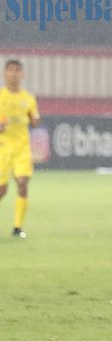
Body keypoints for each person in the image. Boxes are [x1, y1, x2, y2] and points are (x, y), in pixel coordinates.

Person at [0, 60, 40, 238]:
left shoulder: (28, 98)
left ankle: (17, 227)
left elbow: (34, 120)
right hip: (2, 147)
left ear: (22, 74)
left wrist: (33, 119)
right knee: (2, 190)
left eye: (17, 70)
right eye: (10, 70)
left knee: (22, 183)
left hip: (22, 148)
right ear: (5, 73)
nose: (14, 74)